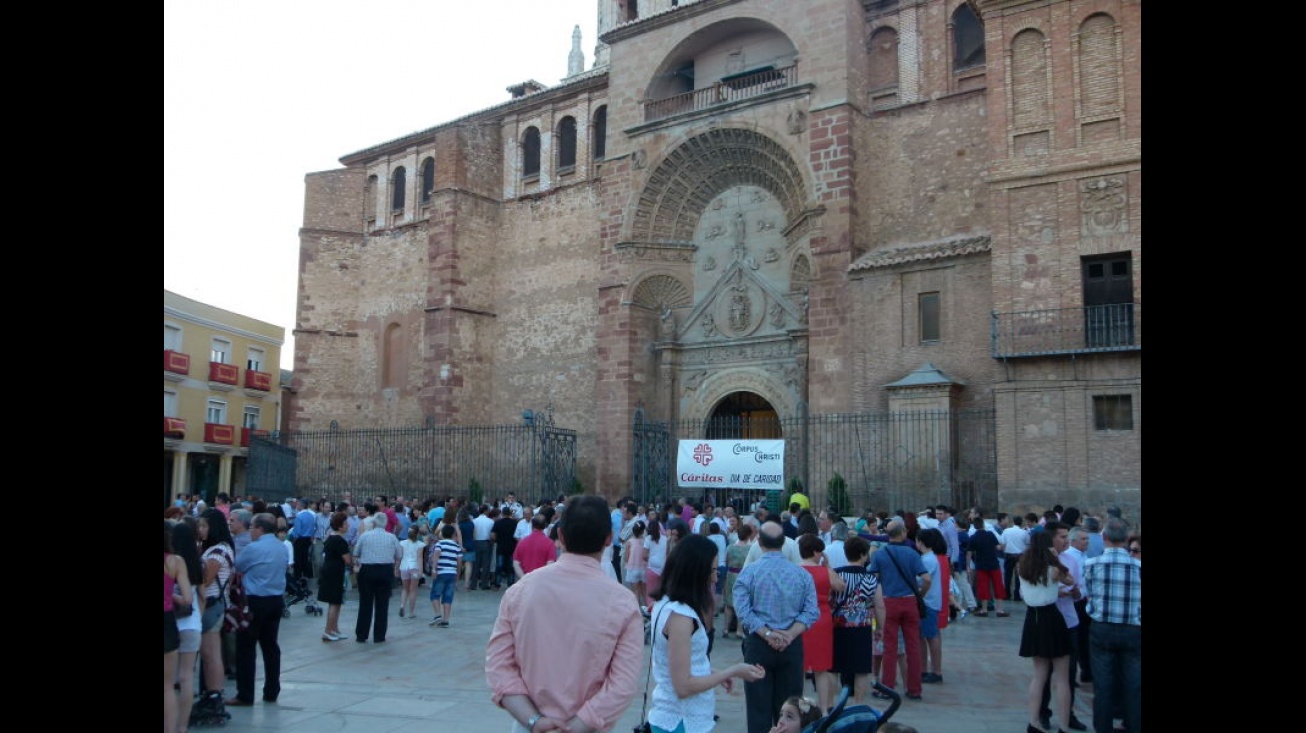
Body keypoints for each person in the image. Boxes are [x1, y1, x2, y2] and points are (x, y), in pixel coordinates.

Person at [486, 495, 645, 733]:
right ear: (609, 539)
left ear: (560, 536)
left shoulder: (520, 592)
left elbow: (499, 666)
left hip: (529, 725)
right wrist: (578, 725)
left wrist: (534, 721)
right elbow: (622, 684)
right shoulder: (623, 603)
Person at [646, 533, 767, 732]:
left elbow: (679, 663)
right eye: (711, 570)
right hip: (680, 721)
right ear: (695, 573)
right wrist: (733, 671)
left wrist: (713, 674)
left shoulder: (667, 604)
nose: (715, 576)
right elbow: (683, 686)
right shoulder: (681, 617)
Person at [733, 520, 820, 733]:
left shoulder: (749, 573)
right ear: (784, 543)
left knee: (757, 709)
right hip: (791, 645)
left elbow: (743, 610)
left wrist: (767, 632)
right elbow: (811, 611)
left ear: (759, 542)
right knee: (791, 712)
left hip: (759, 644)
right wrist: (789, 634)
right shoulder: (802, 574)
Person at [1083, 518, 1141, 733]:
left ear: (1103, 537)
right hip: (1132, 629)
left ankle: (1103, 728)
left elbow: (1089, 594)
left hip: (1102, 628)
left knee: (1103, 686)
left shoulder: (1091, 564)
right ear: (1126, 540)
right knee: (1134, 685)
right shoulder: (1138, 566)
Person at [1017, 530, 1077, 733]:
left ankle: (1033, 722)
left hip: (1032, 618)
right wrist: (1056, 557)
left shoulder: (1022, 567)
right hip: (1051, 617)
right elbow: (1071, 581)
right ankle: (1064, 726)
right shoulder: (1054, 569)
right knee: (1062, 678)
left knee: (1039, 675)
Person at [866, 519, 930, 702]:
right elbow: (926, 579)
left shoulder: (879, 554)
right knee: (913, 647)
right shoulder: (912, 554)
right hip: (910, 602)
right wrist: (920, 595)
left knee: (889, 647)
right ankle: (914, 689)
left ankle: (887, 687)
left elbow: (873, 580)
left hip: (888, 603)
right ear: (902, 533)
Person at [227, 512, 286, 707]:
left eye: (252, 527)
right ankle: (272, 690)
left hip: (255, 600)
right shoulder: (281, 547)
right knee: (270, 646)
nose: (250, 531)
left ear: (260, 529)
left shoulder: (254, 548)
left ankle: (245, 694)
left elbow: (238, 566)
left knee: (246, 647)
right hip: (275, 599)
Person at [1037, 522, 1089, 732]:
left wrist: (1075, 592)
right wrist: (1054, 593)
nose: (1066, 540)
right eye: (1062, 537)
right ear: (1051, 539)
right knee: (1044, 672)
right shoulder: (1037, 561)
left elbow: (1079, 590)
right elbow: (1028, 593)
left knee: (1068, 674)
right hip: (1046, 622)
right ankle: (1042, 713)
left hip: (1068, 620)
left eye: (1068, 536)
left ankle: (1068, 715)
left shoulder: (1071, 560)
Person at [829, 535, 885, 704]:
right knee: (861, 669)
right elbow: (879, 605)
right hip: (861, 626)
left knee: (834, 667)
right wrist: (880, 628)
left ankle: (832, 704)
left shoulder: (837, 575)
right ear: (862, 555)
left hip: (837, 625)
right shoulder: (871, 579)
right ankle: (858, 704)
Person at [797, 533, 846, 714]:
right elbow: (841, 586)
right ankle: (824, 709)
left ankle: (800, 706)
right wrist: (829, 566)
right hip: (822, 617)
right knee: (822, 667)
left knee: (799, 666)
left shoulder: (795, 570)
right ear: (817, 552)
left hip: (800, 618)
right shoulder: (825, 572)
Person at [195, 509, 235, 722]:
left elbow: (205, 580)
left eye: (204, 526)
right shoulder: (219, 548)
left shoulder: (218, 551)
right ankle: (212, 692)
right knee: (211, 653)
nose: (200, 530)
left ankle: (214, 693)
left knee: (211, 654)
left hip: (211, 604)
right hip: (215, 604)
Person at [165, 520, 195, 733]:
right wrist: (171, 596)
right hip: (168, 621)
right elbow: (187, 598)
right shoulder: (176, 561)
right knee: (167, 685)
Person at [352, 514, 402, 643]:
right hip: (385, 570)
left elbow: (356, 553)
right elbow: (399, 554)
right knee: (382, 604)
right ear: (385, 524)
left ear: (373, 524)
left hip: (368, 570)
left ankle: (361, 634)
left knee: (365, 603)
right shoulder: (392, 537)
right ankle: (379, 635)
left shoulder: (365, 536)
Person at [915, 527, 948, 685]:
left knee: (931, 636)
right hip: (930, 601)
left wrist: (920, 595)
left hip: (927, 602)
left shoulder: (927, 560)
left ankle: (936, 671)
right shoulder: (931, 558)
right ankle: (924, 669)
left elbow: (923, 581)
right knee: (924, 636)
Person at [318, 511, 353, 641]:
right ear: (339, 526)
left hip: (330, 571)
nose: (348, 526)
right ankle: (328, 630)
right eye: (345, 523)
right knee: (334, 602)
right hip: (335, 572)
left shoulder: (331, 538)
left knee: (337, 601)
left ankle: (334, 629)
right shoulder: (339, 540)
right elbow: (347, 559)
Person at [722, 522, 755, 639]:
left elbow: (725, 562)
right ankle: (739, 630)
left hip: (731, 575)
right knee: (742, 603)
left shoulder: (730, 547)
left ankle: (725, 628)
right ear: (748, 536)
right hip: (743, 575)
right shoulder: (750, 549)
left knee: (728, 604)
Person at [428, 523, 463, 627]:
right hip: (452, 573)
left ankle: (438, 615)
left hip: (441, 572)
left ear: (442, 533)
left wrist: (434, 569)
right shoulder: (457, 546)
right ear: (453, 534)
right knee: (448, 597)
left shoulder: (439, 544)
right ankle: (446, 620)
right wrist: (458, 575)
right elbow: (459, 562)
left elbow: (436, 555)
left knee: (435, 594)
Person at [512, 512, 555, 577]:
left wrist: (523, 578)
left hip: (525, 580)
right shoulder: (550, 543)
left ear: (532, 525)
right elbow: (550, 563)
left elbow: (516, 563)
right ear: (544, 526)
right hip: (541, 580)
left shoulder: (522, 541)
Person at [398, 525, 425, 619]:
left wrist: (396, 568)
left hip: (404, 566)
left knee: (405, 589)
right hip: (414, 567)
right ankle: (412, 612)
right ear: (417, 534)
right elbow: (419, 558)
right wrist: (421, 571)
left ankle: (402, 605)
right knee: (413, 590)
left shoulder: (402, 543)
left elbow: (400, 557)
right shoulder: (420, 544)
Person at [624, 520, 649, 610]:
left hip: (633, 569)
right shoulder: (645, 541)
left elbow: (626, 558)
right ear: (642, 531)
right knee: (644, 592)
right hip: (643, 569)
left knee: (635, 591)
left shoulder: (629, 542)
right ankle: (647, 609)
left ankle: (638, 611)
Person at [645, 513, 669, 601]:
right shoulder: (665, 539)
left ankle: (651, 609)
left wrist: (650, 559)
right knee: (661, 590)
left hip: (652, 568)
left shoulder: (648, 539)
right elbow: (667, 553)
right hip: (663, 568)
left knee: (650, 591)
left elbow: (644, 555)